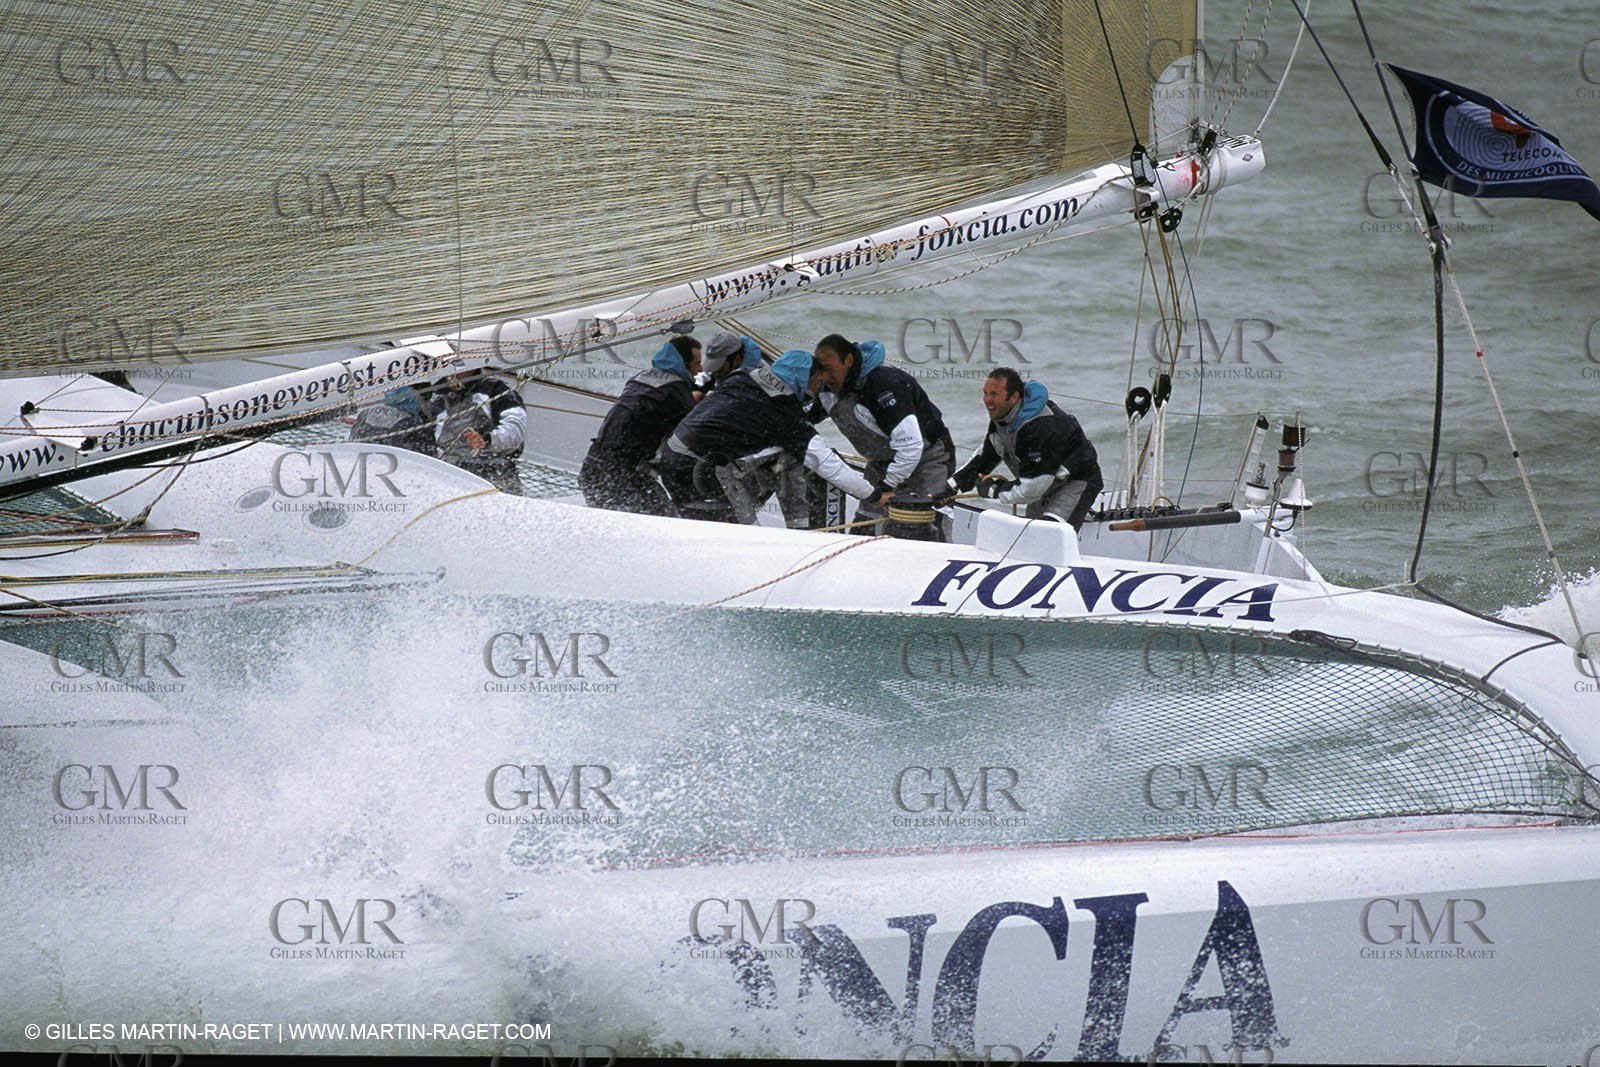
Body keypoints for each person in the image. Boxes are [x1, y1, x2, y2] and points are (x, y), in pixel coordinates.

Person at [663, 349, 875, 526]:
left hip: (671, 458)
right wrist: (871, 495)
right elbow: (827, 463)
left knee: (784, 458)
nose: (818, 388)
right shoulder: (783, 412)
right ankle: (790, 536)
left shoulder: (744, 375)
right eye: (817, 381)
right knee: (794, 460)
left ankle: (798, 527)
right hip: (700, 473)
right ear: (803, 378)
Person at [808, 333, 955, 536]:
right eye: (820, 371)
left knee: (928, 529)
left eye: (828, 369)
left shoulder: (884, 384)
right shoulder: (826, 389)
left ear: (848, 361)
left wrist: (887, 486)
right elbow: (804, 419)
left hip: (928, 460)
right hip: (880, 464)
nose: (824, 377)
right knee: (864, 529)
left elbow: (911, 447)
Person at [945, 367, 1102, 530]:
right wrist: (950, 487)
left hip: (1076, 482)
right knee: (1031, 535)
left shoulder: (1040, 426)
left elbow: (1031, 488)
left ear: (1014, 397)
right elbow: (985, 457)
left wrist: (995, 490)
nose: (987, 400)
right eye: (985, 393)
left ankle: (1081, 513)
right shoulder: (1002, 418)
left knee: (1048, 535)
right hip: (1045, 484)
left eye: (994, 394)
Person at [578, 336, 701, 516]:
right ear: (683, 364)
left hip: (593, 467)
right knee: (667, 523)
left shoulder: (640, 378)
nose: (701, 368)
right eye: (697, 363)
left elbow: (649, 405)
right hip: (622, 475)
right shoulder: (677, 393)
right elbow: (690, 436)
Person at [432, 366, 527, 495]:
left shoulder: (494, 389)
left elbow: (515, 428)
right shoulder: (438, 401)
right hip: (452, 474)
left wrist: (486, 439)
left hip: (495, 472)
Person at [348, 385, 434, 454]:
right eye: (424, 398)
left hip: (358, 456)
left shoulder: (366, 413)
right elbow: (428, 455)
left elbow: (353, 437)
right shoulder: (412, 424)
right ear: (415, 398)